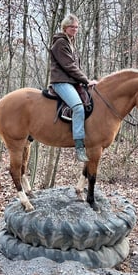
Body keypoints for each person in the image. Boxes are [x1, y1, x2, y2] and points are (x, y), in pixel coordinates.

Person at [49, 14, 97, 163]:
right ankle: (79, 146)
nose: (75, 29)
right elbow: (69, 66)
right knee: (78, 107)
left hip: (72, 82)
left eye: (76, 27)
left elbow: (75, 67)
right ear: (65, 28)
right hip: (61, 82)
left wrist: (83, 81)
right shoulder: (60, 43)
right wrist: (85, 80)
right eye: (72, 27)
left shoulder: (71, 43)